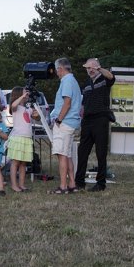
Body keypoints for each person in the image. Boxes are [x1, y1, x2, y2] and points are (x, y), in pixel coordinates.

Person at [75, 57, 116, 192]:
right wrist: (81, 111)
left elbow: (111, 77)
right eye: (87, 68)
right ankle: (79, 182)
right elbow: (84, 102)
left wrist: (99, 69)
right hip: (87, 121)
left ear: (98, 68)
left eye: (92, 68)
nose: (89, 70)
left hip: (100, 119)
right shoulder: (86, 84)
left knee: (101, 153)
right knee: (82, 152)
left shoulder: (104, 80)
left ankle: (101, 183)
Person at [47, 58, 82, 194]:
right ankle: (72, 183)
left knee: (61, 154)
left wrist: (59, 119)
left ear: (60, 69)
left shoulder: (67, 81)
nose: (56, 73)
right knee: (67, 155)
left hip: (65, 122)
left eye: (57, 70)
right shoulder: (73, 81)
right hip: (71, 122)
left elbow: (67, 102)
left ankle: (63, 186)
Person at [7, 87, 38, 192]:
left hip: (27, 138)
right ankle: (14, 185)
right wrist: (22, 96)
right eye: (25, 93)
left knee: (23, 163)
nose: (27, 94)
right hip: (17, 138)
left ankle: (21, 184)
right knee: (15, 162)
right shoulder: (15, 108)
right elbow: (14, 105)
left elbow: (36, 117)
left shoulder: (28, 108)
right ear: (19, 94)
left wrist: (36, 114)